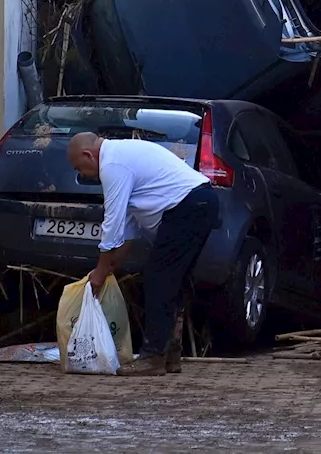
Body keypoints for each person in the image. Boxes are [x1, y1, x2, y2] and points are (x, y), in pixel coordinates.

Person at [67, 132, 217, 376]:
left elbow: (112, 223)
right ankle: (170, 355)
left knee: (158, 279)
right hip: (199, 203)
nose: (81, 174)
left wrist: (101, 270)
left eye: (79, 167)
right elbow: (129, 226)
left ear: (88, 155)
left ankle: (153, 357)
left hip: (187, 207)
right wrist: (113, 265)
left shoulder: (112, 165)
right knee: (172, 282)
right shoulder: (120, 155)